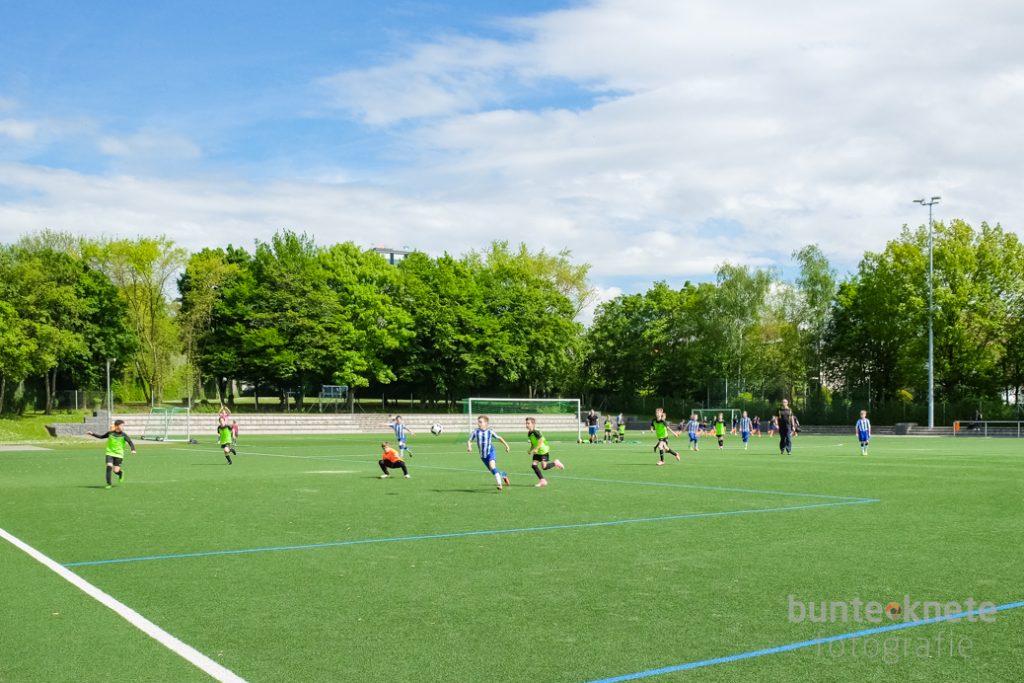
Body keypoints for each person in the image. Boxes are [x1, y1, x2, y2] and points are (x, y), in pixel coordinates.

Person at [86, 419, 136, 489]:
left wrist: (133, 449)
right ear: (117, 426)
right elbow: (101, 437)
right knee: (109, 466)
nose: (123, 427)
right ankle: (109, 483)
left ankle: (120, 473)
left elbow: (130, 442)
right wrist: (92, 434)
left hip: (119, 454)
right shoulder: (110, 433)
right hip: (110, 453)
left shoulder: (124, 435)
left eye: (123, 425)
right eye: (122, 425)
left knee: (116, 470)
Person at [468, 416, 512, 491]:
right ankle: (503, 475)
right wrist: (469, 447)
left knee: (492, 466)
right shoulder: (475, 431)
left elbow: (499, 438)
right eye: (478, 422)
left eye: (480, 422)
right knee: (492, 470)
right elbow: (469, 441)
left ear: (486, 423)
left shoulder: (490, 431)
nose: (478, 423)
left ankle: (499, 484)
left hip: (490, 451)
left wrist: (507, 446)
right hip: (483, 455)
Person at [526, 417, 564, 487]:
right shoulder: (529, 433)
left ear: (533, 424)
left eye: (528, 423)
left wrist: (536, 449)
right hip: (537, 451)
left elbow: (541, 441)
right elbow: (533, 443)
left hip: (543, 450)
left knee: (544, 467)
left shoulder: (536, 432)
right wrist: (530, 450)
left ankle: (555, 463)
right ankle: (542, 481)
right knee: (534, 465)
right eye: (526, 423)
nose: (526, 425)